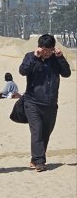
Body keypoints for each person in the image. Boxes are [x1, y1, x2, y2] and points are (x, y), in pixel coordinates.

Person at [19, 33, 72, 172]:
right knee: (37, 130)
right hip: (32, 102)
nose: (47, 53)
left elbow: (67, 73)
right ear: (39, 47)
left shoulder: (56, 59)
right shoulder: (30, 57)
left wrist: (60, 57)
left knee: (46, 132)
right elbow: (23, 71)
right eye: (45, 50)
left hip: (51, 103)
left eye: (50, 50)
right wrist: (35, 58)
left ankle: (35, 157)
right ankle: (39, 161)